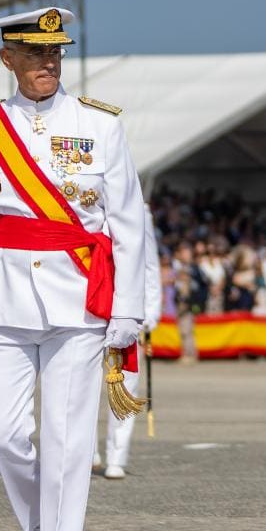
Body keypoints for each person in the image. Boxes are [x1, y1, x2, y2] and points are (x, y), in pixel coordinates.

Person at [0, 7, 146, 531]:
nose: (48, 63)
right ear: (7, 58)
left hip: (78, 297)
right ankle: (39, 524)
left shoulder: (101, 125)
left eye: (56, 53)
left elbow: (129, 223)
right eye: (36, 55)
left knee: (67, 437)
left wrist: (127, 310)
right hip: (4, 294)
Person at [94, 203, 161, 479]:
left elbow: (149, 265)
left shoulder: (138, 211)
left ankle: (117, 456)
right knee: (79, 384)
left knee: (123, 385)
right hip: (87, 304)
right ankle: (86, 451)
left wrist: (150, 312)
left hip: (124, 309)